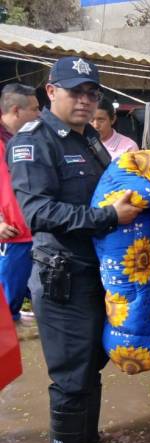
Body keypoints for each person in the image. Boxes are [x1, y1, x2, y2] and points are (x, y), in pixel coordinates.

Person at [8, 56, 142, 443]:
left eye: (91, 93)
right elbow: (39, 213)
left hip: (96, 272)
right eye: (75, 92)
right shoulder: (35, 140)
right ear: (51, 92)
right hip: (62, 274)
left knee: (92, 362)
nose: (85, 100)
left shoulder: (88, 139)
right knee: (70, 373)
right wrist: (108, 218)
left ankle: (89, 440)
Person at [0, 83, 39, 321]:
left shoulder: (28, 140)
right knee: (6, 307)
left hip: (37, 234)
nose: (39, 114)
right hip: (12, 237)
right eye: (34, 109)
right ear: (16, 110)